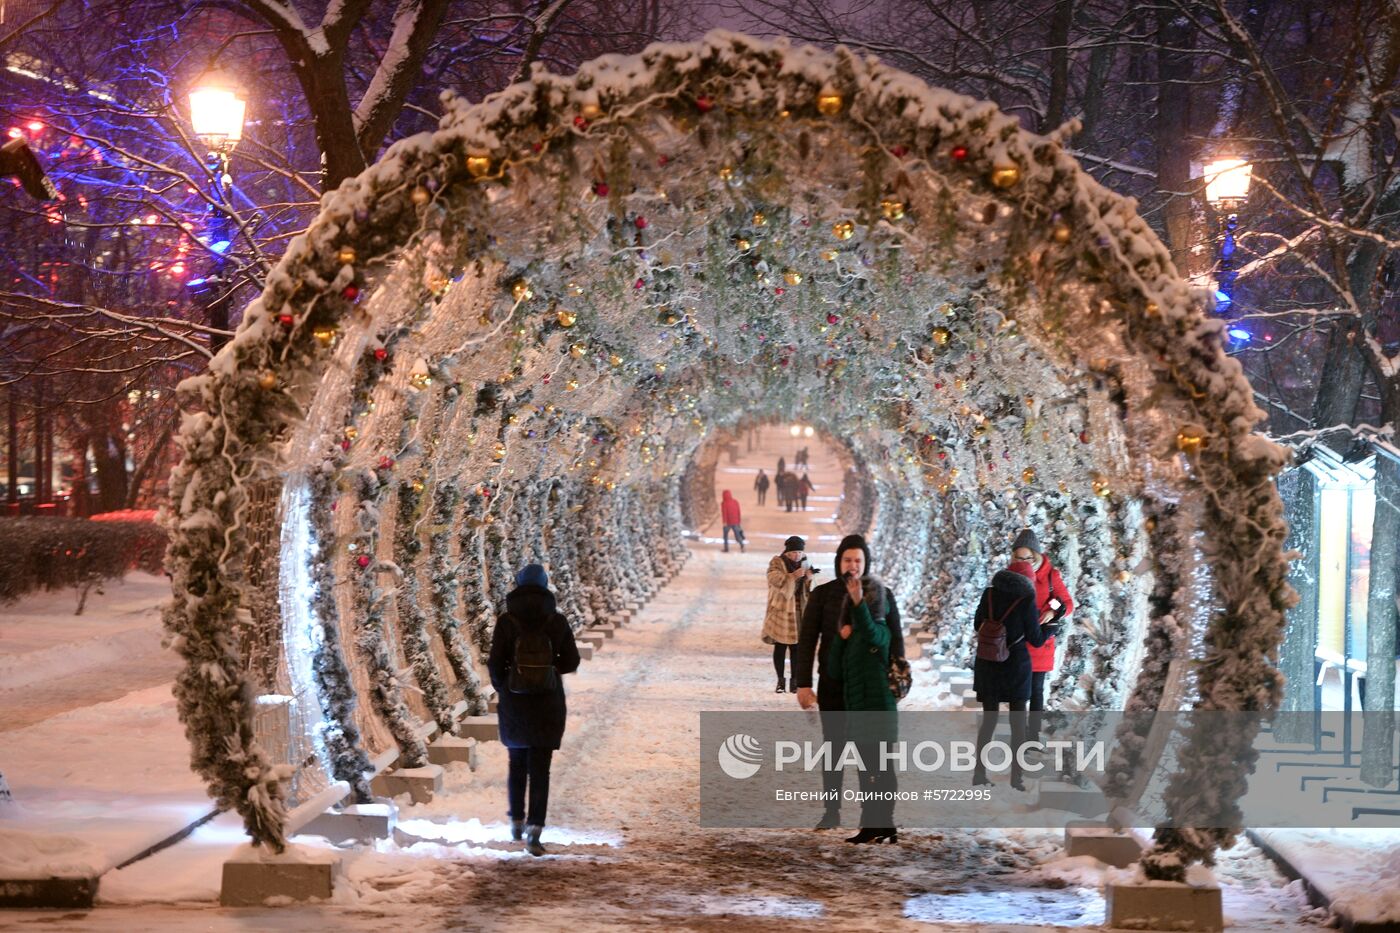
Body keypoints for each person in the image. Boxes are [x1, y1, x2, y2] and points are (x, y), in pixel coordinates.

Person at [795, 534, 905, 838]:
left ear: (866, 562)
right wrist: (802, 683)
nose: (853, 566)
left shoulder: (882, 595)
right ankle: (832, 810)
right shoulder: (824, 595)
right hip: (833, 685)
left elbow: (895, 641)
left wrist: (897, 678)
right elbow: (806, 641)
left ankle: (873, 818)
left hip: (870, 689)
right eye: (847, 560)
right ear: (838, 562)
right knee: (834, 750)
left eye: (858, 560)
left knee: (871, 754)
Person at [487, 564, 581, 856]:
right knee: (541, 768)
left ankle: (516, 820)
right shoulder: (556, 621)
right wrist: (550, 671)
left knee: (517, 763)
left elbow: (494, 662)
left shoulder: (507, 621)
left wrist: (506, 686)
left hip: (515, 702)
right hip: (547, 703)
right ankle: (535, 830)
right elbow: (572, 661)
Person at [970, 559, 1047, 791]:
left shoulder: (989, 594)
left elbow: (977, 624)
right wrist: (1051, 625)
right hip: (1016, 668)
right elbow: (1036, 638)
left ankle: (979, 774)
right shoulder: (1027, 600)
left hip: (988, 665)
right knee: (1018, 725)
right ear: (1028, 581)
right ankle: (1017, 778)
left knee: (988, 723)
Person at [1011, 529, 1073, 742]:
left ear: (1036, 555)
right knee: (1017, 692)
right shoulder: (1010, 575)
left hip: (1040, 642)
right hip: (1017, 641)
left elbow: (1066, 602)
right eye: (1019, 558)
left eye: (1028, 557)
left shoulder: (1050, 577)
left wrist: (1052, 609)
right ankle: (1018, 736)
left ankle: (1033, 736)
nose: (1024, 562)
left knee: (1036, 691)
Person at [764, 535, 814, 693]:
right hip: (781, 610)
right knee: (780, 646)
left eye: (799, 552)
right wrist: (792, 576)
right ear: (787, 552)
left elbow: (810, 589)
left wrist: (809, 579)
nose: (797, 555)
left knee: (796, 648)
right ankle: (780, 680)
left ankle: (794, 681)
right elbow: (773, 579)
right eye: (794, 552)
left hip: (799, 611)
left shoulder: (806, 563)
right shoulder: (777, 563)